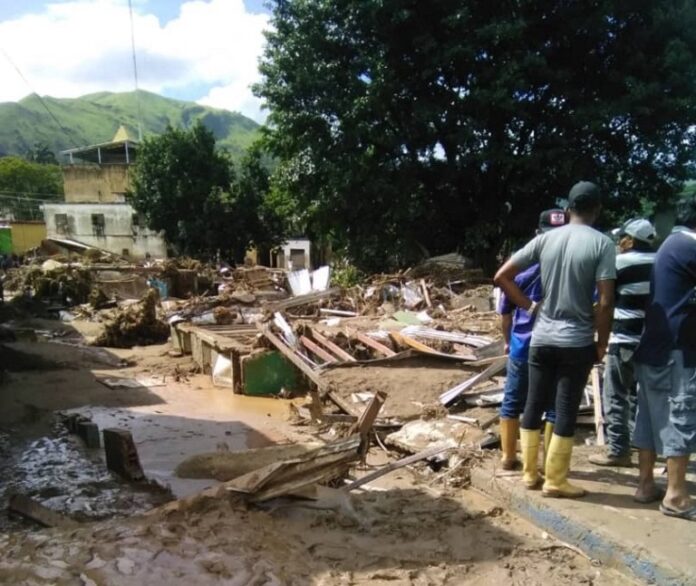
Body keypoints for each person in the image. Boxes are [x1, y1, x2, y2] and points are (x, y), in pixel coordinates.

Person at [494, 181, 616, 498]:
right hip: (575, 341)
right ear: (597, 209)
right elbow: (605, 302)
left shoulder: (546, 240)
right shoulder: (602, 244)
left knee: (532, 404)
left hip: (540, 338)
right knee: (563, 409)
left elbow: (501, 276)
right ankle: (555, 480)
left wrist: (530, 306)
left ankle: (529, 474)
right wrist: (601, 342)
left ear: (568, 209)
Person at [632, 198, 696, 519]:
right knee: (679, 414)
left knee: (649, 415)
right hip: (675, 348)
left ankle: (646, 484)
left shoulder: (671, 244)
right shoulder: (690, 247)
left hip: (652, 345)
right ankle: (676, 496)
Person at [497, 208, 566, 470]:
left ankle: (509, 457)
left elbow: (505, 313)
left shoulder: (521, 269)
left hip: (523, 345)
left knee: (513, 399)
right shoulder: (571, 269)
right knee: (552, 404)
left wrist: (507, 340)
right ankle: (548, 461)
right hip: (556, 344)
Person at [589, 219, 656, 468]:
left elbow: (606, 302)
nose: (619, 243)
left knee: (615, 395)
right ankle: (643, 445)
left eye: (622, 238)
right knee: (641, 396)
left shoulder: (619, 263)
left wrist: (599, 340)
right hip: (651, 341)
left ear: (630, 240)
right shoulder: (662, 263)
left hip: (623, 337)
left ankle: (618, 450)